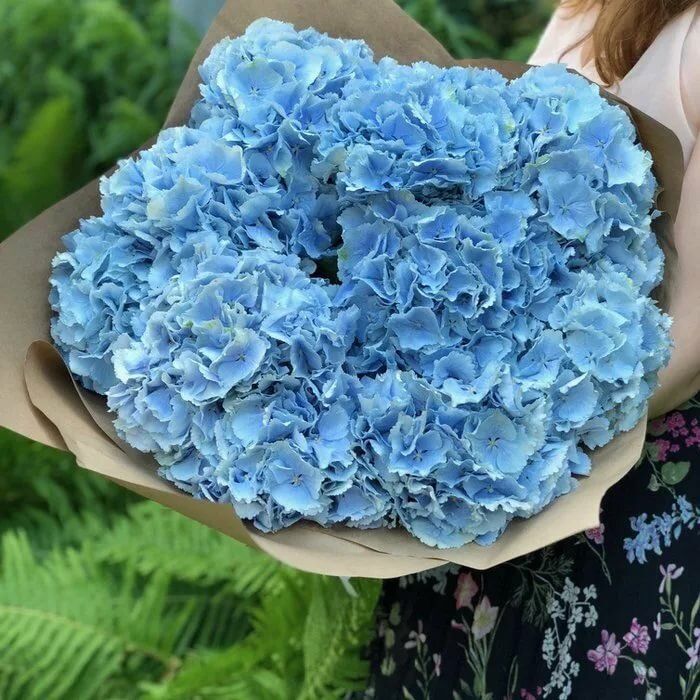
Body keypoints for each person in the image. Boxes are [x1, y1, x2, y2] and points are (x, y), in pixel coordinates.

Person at [361, 3, 700, 698]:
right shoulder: (592, 8)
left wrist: (469, 434)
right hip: (506, 472)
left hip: (625, 496)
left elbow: (680, 351)